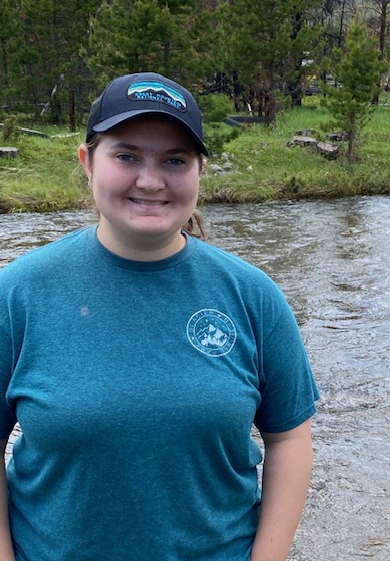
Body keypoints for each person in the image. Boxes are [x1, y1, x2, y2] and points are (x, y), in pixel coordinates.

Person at [0, 72, 319, 561]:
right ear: (87, 163)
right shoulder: (17, 294)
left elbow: (288, 437)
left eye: (175, 160)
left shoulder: (254, 296)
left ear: (200, 170)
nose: (150, 181)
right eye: (126, 156)